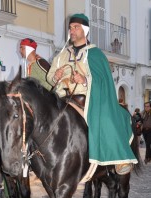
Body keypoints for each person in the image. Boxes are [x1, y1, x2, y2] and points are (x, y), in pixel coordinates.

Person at [47, 13, 138, 179]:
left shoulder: (95, 54)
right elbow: (50, 75)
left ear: (85, 30)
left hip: (85, 96)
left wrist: (84, 80)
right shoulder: (62, 55)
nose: (71, 30)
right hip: (61, 98)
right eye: (70, 27)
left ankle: (120, 158)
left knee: (105, 117)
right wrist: (56, 76)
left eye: (75, 27)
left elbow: (102, 79)